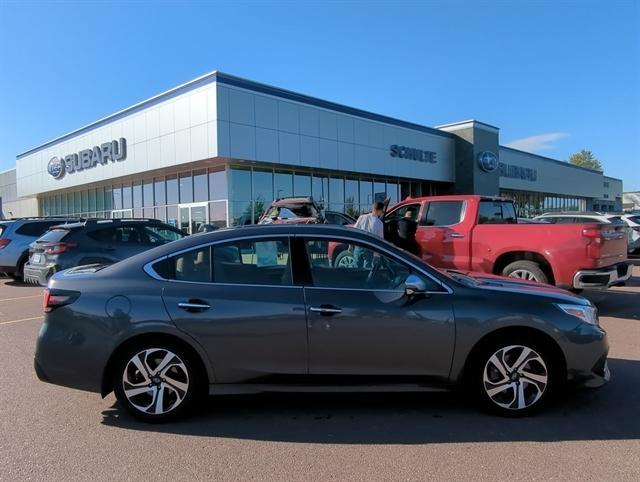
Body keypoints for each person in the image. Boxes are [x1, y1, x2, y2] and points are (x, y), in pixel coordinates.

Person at [352, 201, 385, 267]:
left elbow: (354, 231)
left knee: (356, 268)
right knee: (367, 269)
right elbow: (380, 240)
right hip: (369, 248)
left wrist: (350, 245)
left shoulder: (361, 217)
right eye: (382, 211)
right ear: (379, 210)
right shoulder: (379, 223)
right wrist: (377, 255)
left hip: (358, 247)